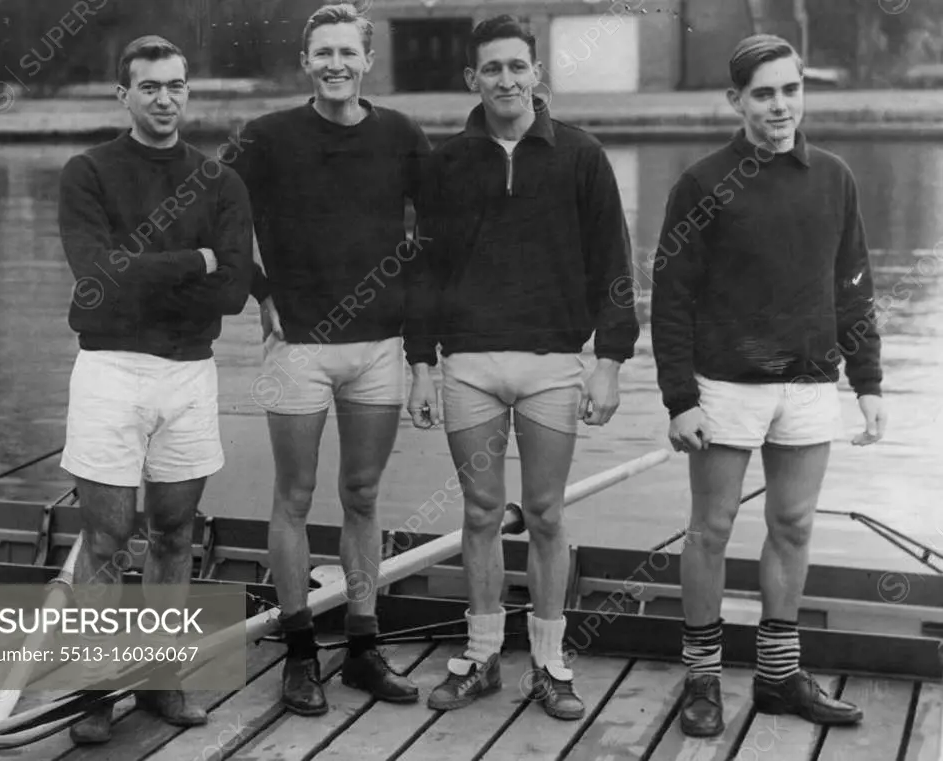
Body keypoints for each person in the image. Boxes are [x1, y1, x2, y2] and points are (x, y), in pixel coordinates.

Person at [649, 34, 886, 737]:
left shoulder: (835, 177)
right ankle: (702, 679)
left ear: (802, 91)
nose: (780, 105)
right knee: (711, 529)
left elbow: (855, 289)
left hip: (811, 386)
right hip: (725, 387)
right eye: (763, 93)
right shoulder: (700, 183)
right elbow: (672, 299)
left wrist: (868, 382)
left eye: (790, 89)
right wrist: (679, 398)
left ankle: (779, 677)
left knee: (793, 525)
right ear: (737, 101)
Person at [404, 15, 640, 721]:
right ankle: (480, 656)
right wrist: (420, 362)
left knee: (544, 513)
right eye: (492, 69)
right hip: (468, 364)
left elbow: (614, 268)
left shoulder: (581, 156)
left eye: (518, 66)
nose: (506, 79)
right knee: (480, 512)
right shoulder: (445, 164)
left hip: (551, 366)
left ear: (537, 73)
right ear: (471, 80)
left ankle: (549, 661)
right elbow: (422, 273)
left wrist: (611, 361)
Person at [223, 3, 429, 716]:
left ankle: (365, 648)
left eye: (348, 52)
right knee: (293, 496)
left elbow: (435, 231)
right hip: (298, 347)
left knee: (364, 495)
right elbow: (216, 212)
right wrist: (259, 288)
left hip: (378, 346)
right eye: (323, 53)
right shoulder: (267, 136)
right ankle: (302, 651)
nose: (336, 64)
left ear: (367, 60)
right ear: (305, 62)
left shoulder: (402, 134)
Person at [57, 35, 254, 744]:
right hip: (110, 370)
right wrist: (191, 261)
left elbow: (232, 292)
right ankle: (92, 691)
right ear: (125, 95)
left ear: (187, 92)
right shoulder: (88, 172)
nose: (165, 98)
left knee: (172, 532)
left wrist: (147, 271)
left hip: (188, 372)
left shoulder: (222, 182)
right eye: (149, 87)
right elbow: (94, 272)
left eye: (176, 86)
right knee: (106, 538)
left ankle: (162, 682)